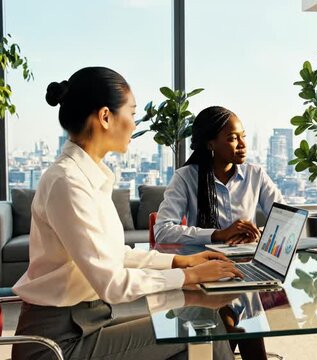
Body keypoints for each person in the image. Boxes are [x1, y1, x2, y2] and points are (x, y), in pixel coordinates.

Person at [12, 67, 243, 359]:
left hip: (87, 322)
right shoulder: (68, 182)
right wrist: (189, 275)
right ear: (106, 117)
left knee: (197, 317)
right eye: (132, 113)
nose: (135, 124)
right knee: (201, 325)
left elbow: (114, 254)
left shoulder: (87, 177)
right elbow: (113, 283)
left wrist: (180, 261)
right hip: (59, 343)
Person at [154, 105, 284, 245]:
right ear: (210, 144)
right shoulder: (185, 177)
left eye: (243, 136)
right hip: (203, 260)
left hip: (246, 257)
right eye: (233, 138)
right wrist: (219, 234)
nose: (242, 144)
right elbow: (163, 231)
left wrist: (256, 234)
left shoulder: (256, 174)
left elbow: (287, 220)